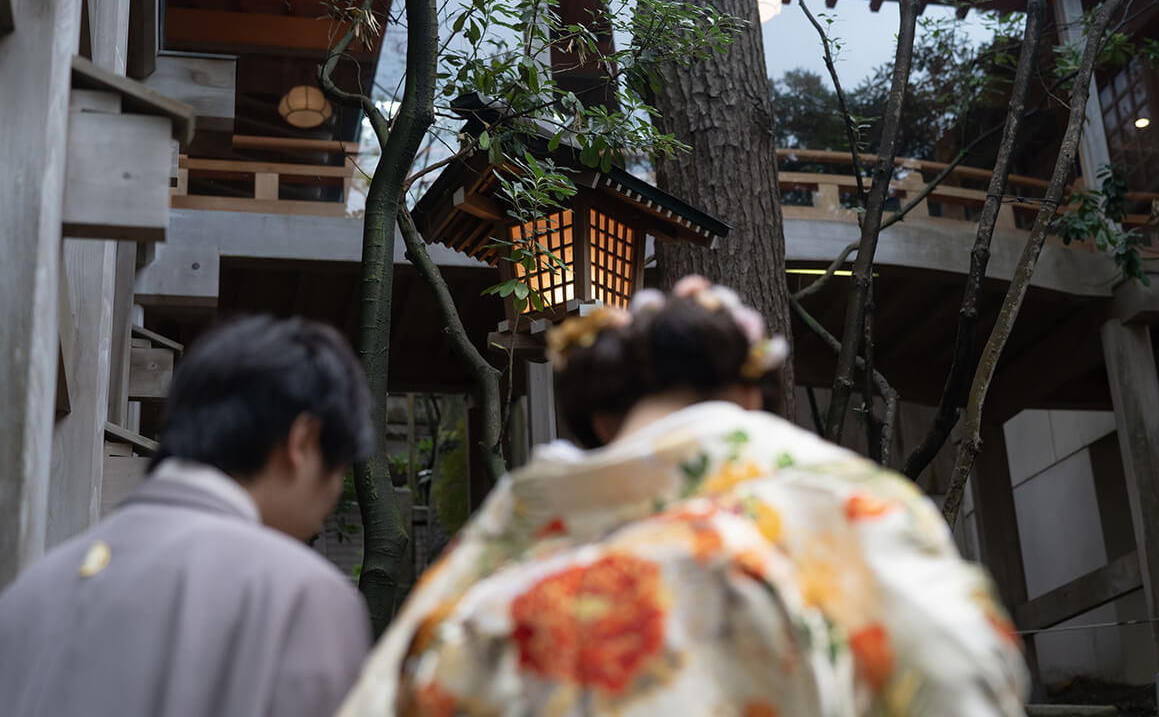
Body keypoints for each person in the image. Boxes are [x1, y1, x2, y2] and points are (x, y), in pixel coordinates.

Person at [336, 277, 1029, 717]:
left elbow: (388, 692)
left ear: (601, 421)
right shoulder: (851, 500)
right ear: (748, 392)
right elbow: (957, 673)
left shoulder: (510, 532)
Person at [0, 315, 376, 717]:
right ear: (302, 442)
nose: (327, 508)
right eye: (338, 469)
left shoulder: (29, 591)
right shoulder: (301, 594)